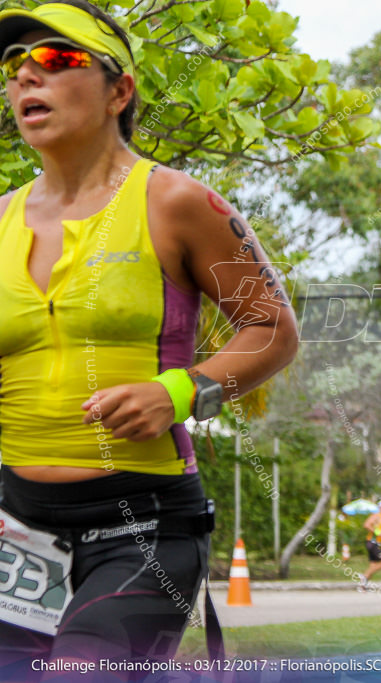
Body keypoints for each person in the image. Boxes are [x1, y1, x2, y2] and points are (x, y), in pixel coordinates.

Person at [0, 2, 298, 676]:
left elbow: (273, 326)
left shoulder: (176, 202)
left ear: (120, 90)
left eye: (56, 59)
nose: (26, 78)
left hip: (140, 522)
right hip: (13, 525)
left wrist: (182, 388)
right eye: (15, 65)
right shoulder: (0, 220)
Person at [361, 500, 381, 590]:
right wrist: (378, 532)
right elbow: (366, 525)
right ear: (380, 508)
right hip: (372, 542)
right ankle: (364, 576)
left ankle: (363, 586)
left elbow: (380, 532)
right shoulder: (376, 515)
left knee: (373, 565)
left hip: (375, 543)